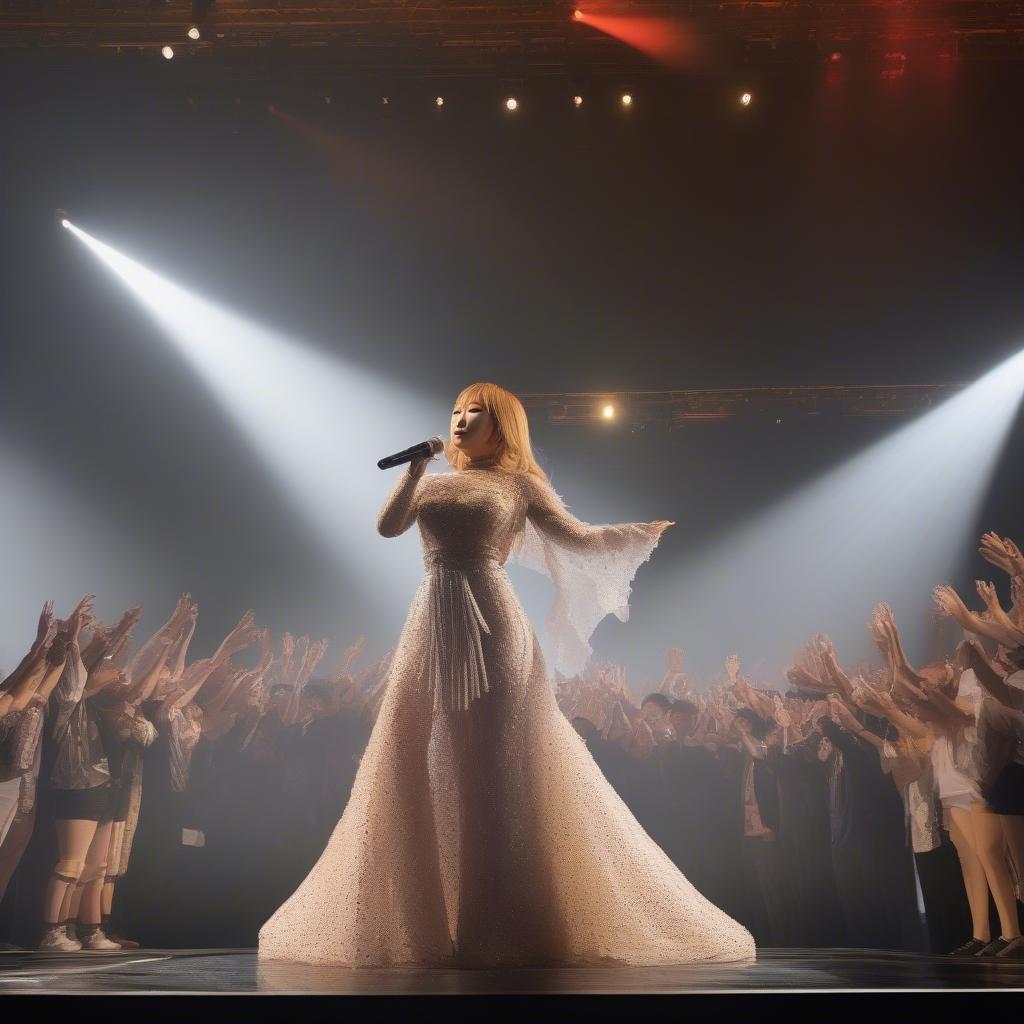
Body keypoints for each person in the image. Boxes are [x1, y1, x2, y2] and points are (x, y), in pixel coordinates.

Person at [258, 381, 755, 967]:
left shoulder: (521, 486)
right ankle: (417, 926)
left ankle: (503, 927)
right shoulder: (432, 480)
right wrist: (414, 471)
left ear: (503, 425)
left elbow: (576, 537)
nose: (463, 420)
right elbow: (388, 527)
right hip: (431, 622)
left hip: (493, 622)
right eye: (457, 411)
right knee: (407, 750)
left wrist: (631, 535)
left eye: (477, 413)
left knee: (496, 764)